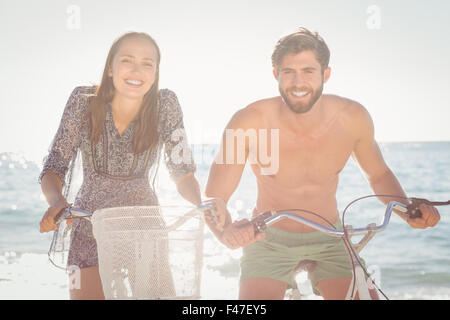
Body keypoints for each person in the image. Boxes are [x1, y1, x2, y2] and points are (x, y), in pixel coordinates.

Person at [204, 27, 441, 300]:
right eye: (288, 72)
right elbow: (214, 197)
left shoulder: (352, 117)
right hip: (267, 239)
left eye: (308, 71)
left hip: (330, 237)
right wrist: (225, 233)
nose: (298, 82)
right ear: (275, 75)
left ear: (325, 74)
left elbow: (378, 174)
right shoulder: (248, 121)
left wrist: (407, 210)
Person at [39, 32, 203, 299]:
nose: (137, 70)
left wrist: (202, 203)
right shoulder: (83, 101)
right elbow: (56, 163)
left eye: (147, 63)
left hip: (143, 226)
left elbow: (182, 172)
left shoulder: (166, 105)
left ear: (156, 72)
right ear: (110, 68)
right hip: (89, 222)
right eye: (127, 60)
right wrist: (56, 200)